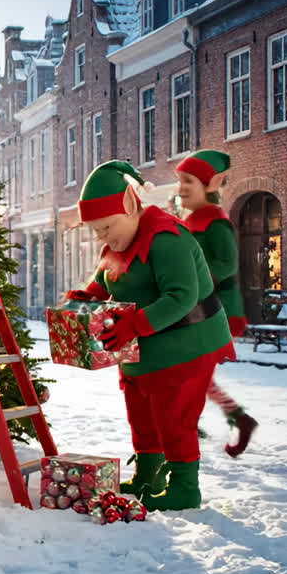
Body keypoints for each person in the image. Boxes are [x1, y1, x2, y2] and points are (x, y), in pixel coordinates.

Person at [65, 160, 234, 511]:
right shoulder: (117, 242)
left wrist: (134, 324)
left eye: (106, 227)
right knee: (141, 411)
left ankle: (184, 488)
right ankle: (148, 475)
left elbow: (181, 297)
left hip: (186, 345)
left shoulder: (166, 240)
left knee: (175, 417)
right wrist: (88, 296)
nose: (102, 237)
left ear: (130, 206)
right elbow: (107, 278)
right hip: (143, 350)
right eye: (96, 231)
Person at [175, 150, 259, 457]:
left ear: (209, 186)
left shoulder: (215, 223)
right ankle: (209, 421)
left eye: (188, 181)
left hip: (214, 312)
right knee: (192, 372)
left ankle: (225, 419)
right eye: (180, 181)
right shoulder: (190, 221)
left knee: (193, 373)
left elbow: (226, 263)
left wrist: (192, 278)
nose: (181, 188)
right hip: (196, 310)